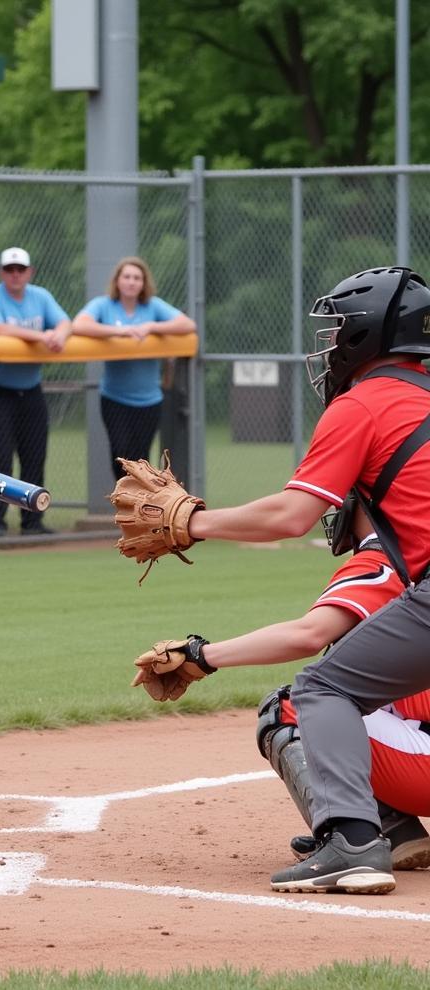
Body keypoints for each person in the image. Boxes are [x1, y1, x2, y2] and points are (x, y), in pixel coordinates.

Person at [136, 265, 430, 895]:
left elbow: (292, 516)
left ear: (367, 334)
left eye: (339, 330)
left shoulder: (366, 404)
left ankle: (352, 839)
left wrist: (193, 522)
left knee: (317, 690)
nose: (331, 346)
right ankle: (386, 826)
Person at [135, 503, 430, 874]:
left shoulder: (386, 559)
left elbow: (309, 635)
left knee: (292, 706)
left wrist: (203, 654)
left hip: (423, 767)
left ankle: (367, 831)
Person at [0, 246, 71, 537]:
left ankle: (32, 522)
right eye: (9, 270)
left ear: (30, 272)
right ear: (1, 272)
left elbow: (66, 322)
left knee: (34, 455)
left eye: (20, 270)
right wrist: (43, 335)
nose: (15, 275)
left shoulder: (40, 296)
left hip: (30, 390)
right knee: (0, 458)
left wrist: (60, 334)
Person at [72, 257, 196, 480]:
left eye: (137, 278)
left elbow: (187, 324)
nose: (131, 282)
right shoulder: (104, 305)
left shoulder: (153, 306)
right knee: (120, 453)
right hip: (115, 398)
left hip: (148, 400)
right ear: (117, 281)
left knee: (140, 459)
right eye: (126, 277)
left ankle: (140, 510)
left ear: (143, 283)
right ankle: (124, 504)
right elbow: (79, 325)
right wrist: (120, 332)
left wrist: (151, 326)